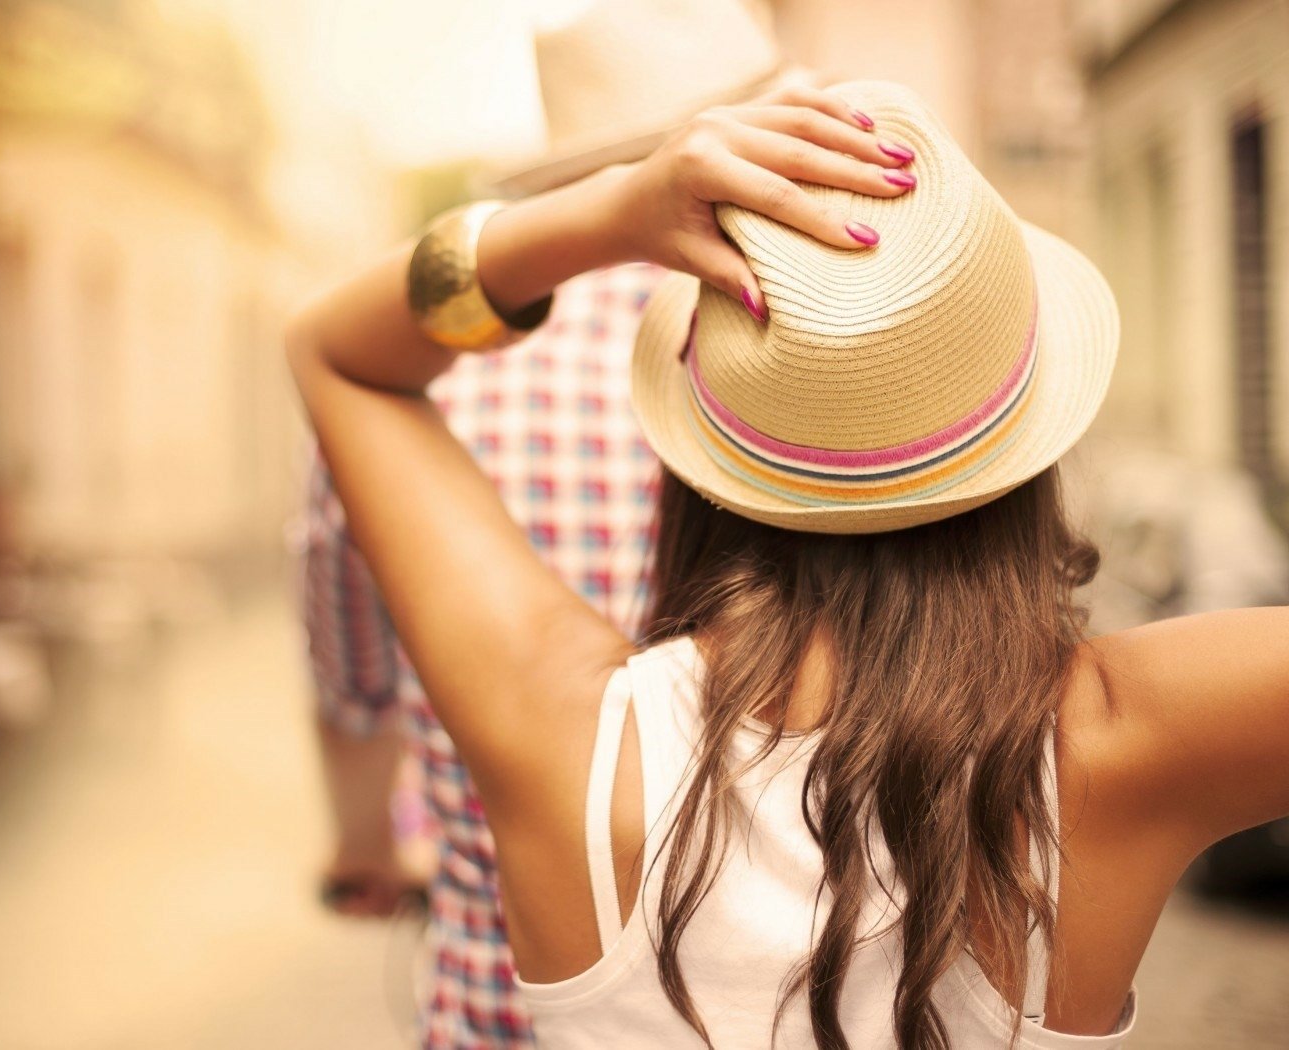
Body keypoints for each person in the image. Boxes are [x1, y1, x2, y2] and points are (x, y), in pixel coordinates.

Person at [288, 77, 1289, 1048]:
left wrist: (607, 216)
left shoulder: (571, 740)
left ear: (704, 447)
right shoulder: (1130, 736)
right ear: (1026, 438)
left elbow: (337, 354)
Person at [299, 3, 796, 1044]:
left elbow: (352, 673)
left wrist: (366, 849)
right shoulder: (810, 340)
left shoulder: (425, 375)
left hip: (503, 995)